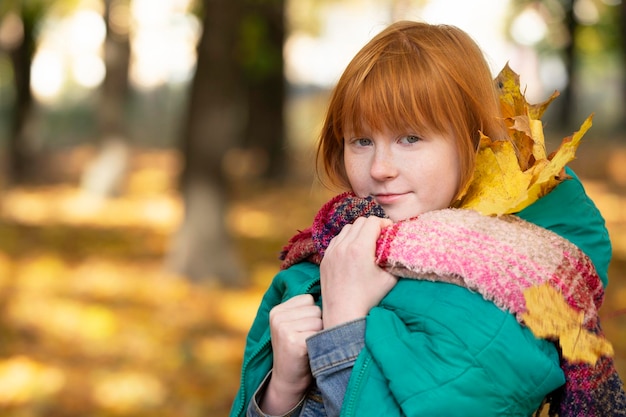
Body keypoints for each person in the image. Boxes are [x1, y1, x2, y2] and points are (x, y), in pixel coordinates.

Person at [229, 21, 625, 417]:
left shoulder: (515, 293)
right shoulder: (331, 252)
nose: (380, 168)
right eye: (362, 140)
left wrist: (342, 329)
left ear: (473, 141)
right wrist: (280, 392)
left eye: (410, 138)